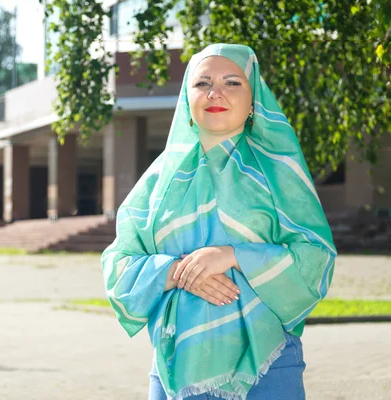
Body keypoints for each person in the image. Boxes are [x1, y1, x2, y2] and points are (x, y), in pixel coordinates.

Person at [100, 43, 337, 400]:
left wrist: (232, 255)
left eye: (232, 83)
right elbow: (118, 266)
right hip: (175, 369)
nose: (215, 93)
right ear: (186, 100)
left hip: (268, 367)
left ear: (254, 98)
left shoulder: (278, 174)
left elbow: (316, 257)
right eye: (202, 83)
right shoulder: (157, 183)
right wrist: (177, 271)